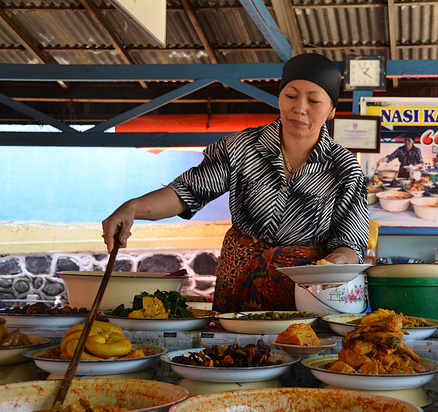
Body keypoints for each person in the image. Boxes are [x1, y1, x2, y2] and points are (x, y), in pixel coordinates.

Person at [101, 53, 369, 313]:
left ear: (331, 111)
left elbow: (351, 241)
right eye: (290, 95)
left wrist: (339, 261)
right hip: (239, 287)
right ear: (279, 98)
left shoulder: (345, 170)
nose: (299, 107)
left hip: (307, 294)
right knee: (235, 354)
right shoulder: (240, 148)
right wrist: (133, 208)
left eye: (314, 101)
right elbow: (188, 192)